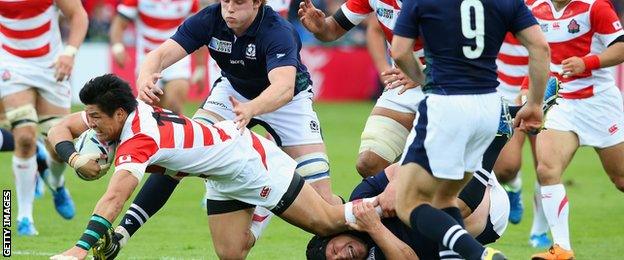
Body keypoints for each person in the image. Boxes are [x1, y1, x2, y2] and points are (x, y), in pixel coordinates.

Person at [48, 74, 356, 260]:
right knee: (232, 253)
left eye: (96, 118)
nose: (92, 124)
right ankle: (263, 210)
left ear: (117, 114)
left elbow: (115, 198)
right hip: (221, 175)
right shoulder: (126, 111)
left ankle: (381, 208)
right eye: (89, 117)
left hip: (251, 163)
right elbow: (58, 128)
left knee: (328, 222)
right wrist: (75, 159)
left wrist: (80, 249)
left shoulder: (140, 138)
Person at [135, 0, 340, 206]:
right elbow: (159, 55)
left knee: (323, 200)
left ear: (257, 3)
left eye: (239, 2)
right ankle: (123, 232)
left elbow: (284, 88)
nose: (230, 8)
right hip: (234, 91)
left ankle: (355, 220)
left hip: (289, 101)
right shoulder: (210, 18)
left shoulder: (279, 30)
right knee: (181, 153)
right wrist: (144, 77)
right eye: (226, 1)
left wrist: (252, 108)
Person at [389, 0, 550, 259]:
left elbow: (399, 52)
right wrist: (534, 104)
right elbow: (540, 47)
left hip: (446, 104)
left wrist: (422, 79)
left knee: (408, 203)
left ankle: (480, 255)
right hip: (487, 107)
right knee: (446, 199)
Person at [529, 0, 624, 259]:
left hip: (600, 103)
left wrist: (588, 62)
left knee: (621, 180)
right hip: (561, 102)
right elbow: (535, 52)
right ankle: (562, 249)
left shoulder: (596, 7)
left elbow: (621, 47)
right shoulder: (533, 6)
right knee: (546, 169)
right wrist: (529, 90)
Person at [298, 0, 425, 178]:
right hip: (404, 84)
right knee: (369, 163)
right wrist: (320, 27)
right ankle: (412, 203)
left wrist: (425, 73)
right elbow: (333, 29)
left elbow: (468, 41)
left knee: (444, 171)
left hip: (449, 85)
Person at [0, 0, 88, 235]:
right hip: (12, 64)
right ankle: (24, 218)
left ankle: (57, 185)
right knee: (25, 137)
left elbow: (78, 14)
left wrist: (70, 53)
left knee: (58, 146)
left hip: (51, 66)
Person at [109, 0, 207, 114]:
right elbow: (119, 22)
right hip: (148, 59)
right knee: (152, 108)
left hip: (177, 57)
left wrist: (200, 67)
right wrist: (117, 47)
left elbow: (198, 30)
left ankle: (177, 130)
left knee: (174, 105)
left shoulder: (190, 1)